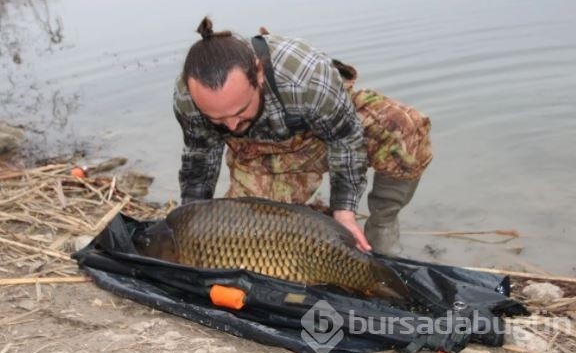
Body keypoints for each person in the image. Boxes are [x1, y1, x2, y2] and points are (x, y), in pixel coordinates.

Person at [173, 17, 432, 254]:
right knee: (250, 239)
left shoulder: (307, 79)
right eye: (217, 120)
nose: (230, 126)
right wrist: (190, 220)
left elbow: (346, 140)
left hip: (331, 127)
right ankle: (315, 220)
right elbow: (200, 158)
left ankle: (382, 227)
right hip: (262, 154)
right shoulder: (188, 98)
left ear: (259, 73)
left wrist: (344, 213)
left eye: (240, 111)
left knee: (403, 128)